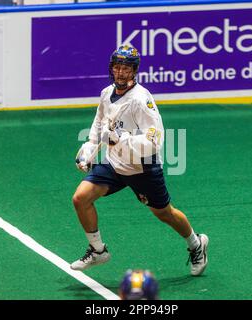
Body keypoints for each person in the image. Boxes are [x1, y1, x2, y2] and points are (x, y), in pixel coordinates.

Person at [71, 45, 209, 276]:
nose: (121, 72)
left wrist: (122, 140)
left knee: (164, 213)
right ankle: (98, 250)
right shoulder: (107, 94)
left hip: (141, 166)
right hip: (115, 163)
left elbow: (155, 141)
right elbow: (99, 124)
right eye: (117, 67)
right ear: (111, 69)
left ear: (134, 71)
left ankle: (196, 244)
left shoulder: (141, 100)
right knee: (80, 198)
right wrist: (89, 148)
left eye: (126, 68)